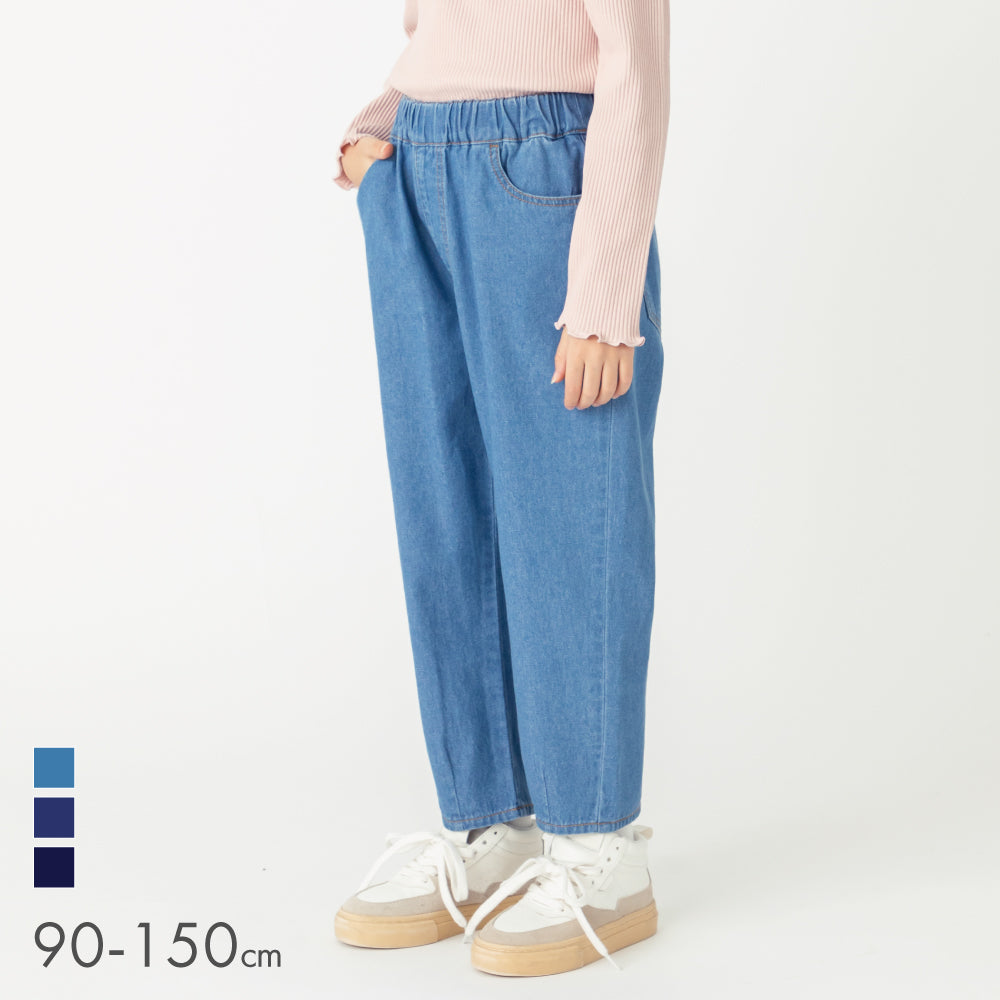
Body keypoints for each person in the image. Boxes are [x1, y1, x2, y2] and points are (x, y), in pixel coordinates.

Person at [330, 0, 670, 977]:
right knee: (442, 508)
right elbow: (442, 31)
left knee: (569, 512)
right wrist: (379, 127)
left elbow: (635, 65)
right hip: (416, 170)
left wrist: (605, 290)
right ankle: (490, 826)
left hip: (543, 168)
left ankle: (596, 843)